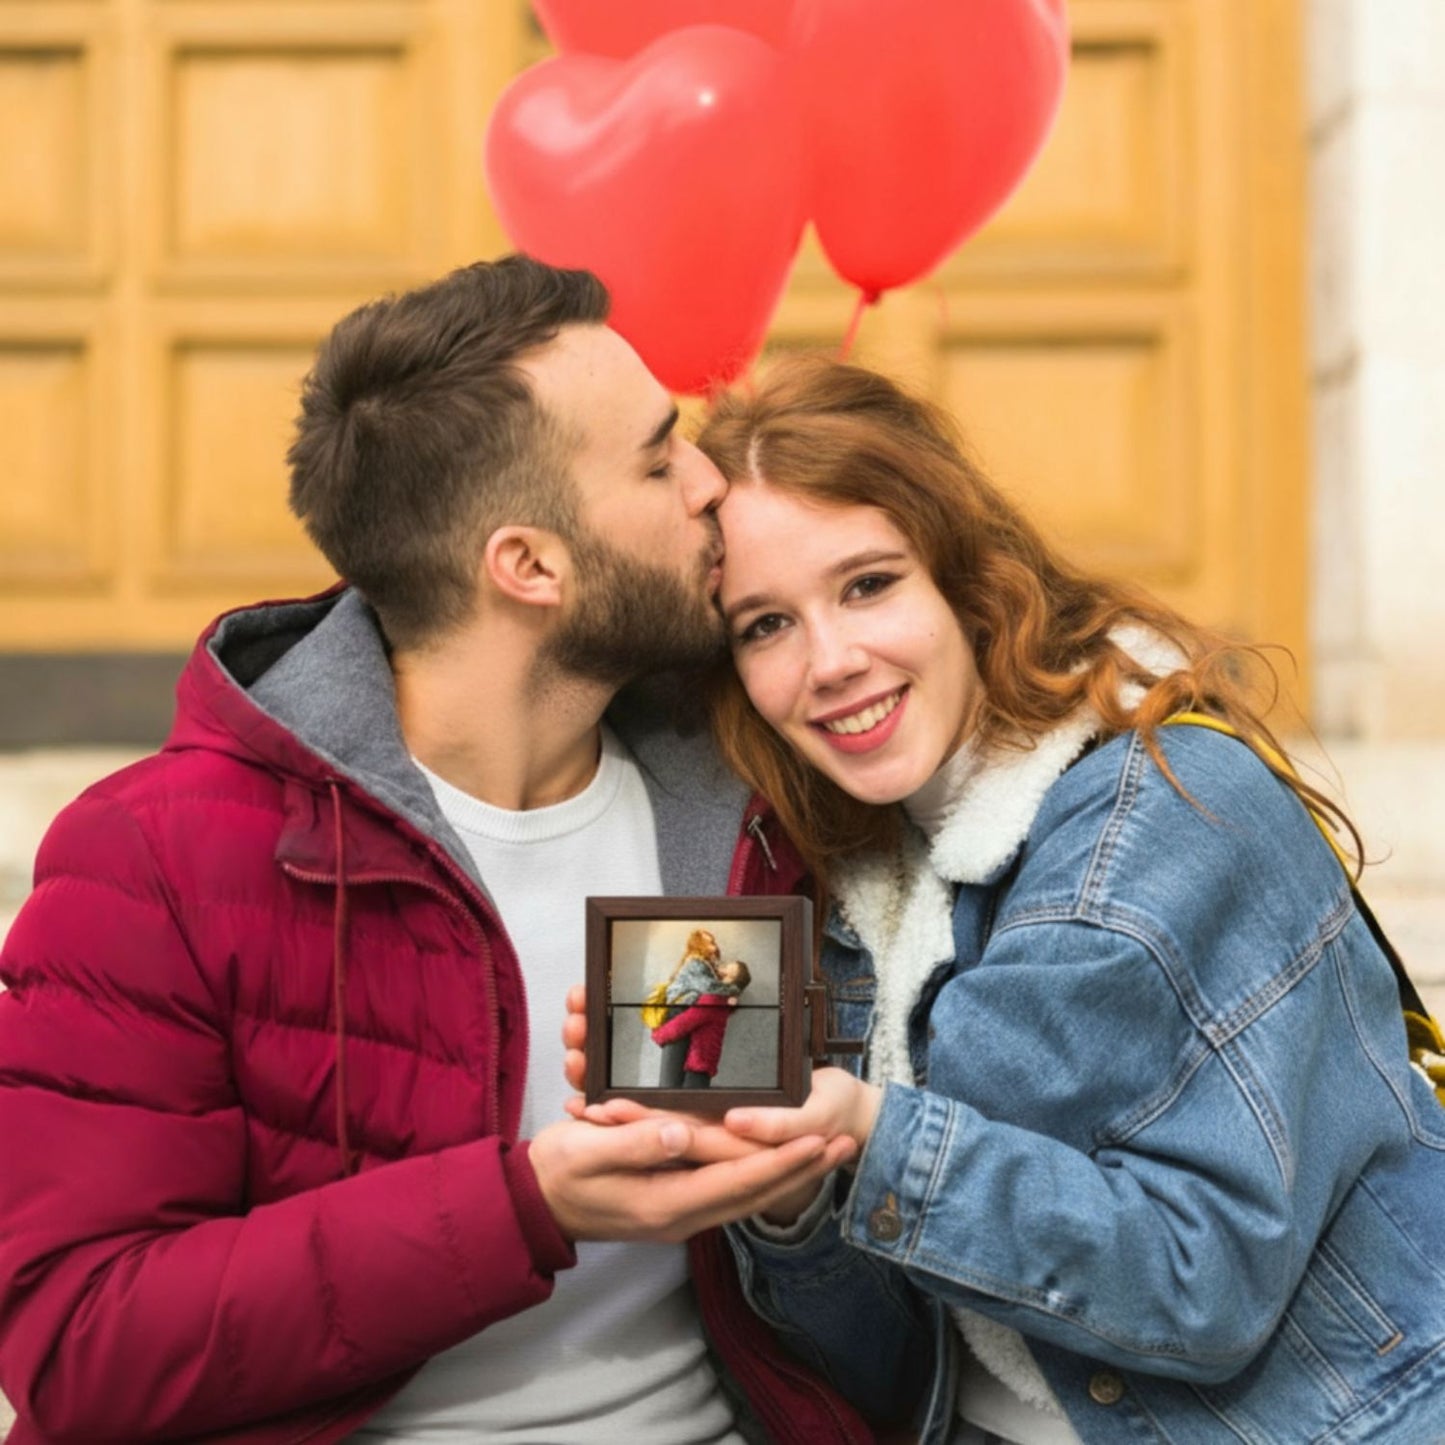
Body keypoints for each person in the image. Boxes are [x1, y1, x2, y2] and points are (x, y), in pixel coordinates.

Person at [0, 260, 864, 1445]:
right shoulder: (149, 858)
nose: (713, 483)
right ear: (529, 567)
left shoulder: (745, 790)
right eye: (660, 460)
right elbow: (82, 1345)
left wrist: (796, 1192)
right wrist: (521, 1207)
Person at [574, 354, 1445, 1445]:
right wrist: (787, 1194)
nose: (829, 661)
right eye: (763, 624)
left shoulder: (1169, 816)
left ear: (963, 578)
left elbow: (1199, 1287)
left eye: (867, 583)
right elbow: (892, 1374)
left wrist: (872, 1135)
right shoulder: (852, 891)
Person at [653, 961, 752, 1088]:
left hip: (699, 1060)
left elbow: (686, 1021)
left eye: (728, 966)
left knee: (689, 1102)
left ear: (731, 975)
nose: (722, 966)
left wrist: (659, 1034)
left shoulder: (714, 998)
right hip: (705, 1059)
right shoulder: (724, 999)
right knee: (692, 1102)